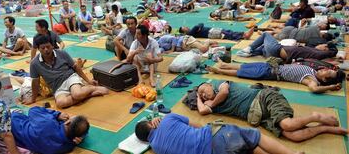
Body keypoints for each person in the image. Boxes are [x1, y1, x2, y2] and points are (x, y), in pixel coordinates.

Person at [196, 81, 348, 142]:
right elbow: (202, 111)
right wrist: (198, 96)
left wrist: (211, 102)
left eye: (203, 90)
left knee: (287, 125)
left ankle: (316, 116)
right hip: (260, 117)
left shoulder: (220, 84)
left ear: (209, 85)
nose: (203, 95)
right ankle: (324, 128)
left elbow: (224, 93)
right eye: (201, 95)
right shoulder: (211, 105)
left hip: (264, 98)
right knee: (293, 136)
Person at [135, 113, 302, 154]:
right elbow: (199, 125)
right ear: (152, 123)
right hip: (215, 137)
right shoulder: (168, 118)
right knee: (255, 136)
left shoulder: (156, 147)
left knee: (245, 146)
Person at [23, 35, 109, 108]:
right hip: (57, 87)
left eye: (48, 47)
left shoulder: (62, 53)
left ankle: (90, 88)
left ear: (52, 46)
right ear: (38, 49)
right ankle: (89, 94)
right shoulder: (34, 63)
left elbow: (75, 67)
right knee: (61, 103)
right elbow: (35, 82)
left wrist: (88, 81)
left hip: (70, 78)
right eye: (43, 48)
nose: (46, 50)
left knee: (77, 94)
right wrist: (33, 99)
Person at [207, 58, 345, 94]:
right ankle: (224, 64)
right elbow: (331, 65)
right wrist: (336, 67)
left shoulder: (312, 80)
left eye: (328, 72)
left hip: (269, 73)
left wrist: (331, 87)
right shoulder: (314, 71)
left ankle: (220, 71)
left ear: (326, 79)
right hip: (271, 66)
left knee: (241, 73)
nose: (326, 69)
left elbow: (314, 89)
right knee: (244, 66)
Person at [0, 107, 88, 154]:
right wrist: (81, 138)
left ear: (67, 122)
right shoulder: (67, 147)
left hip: (12, 122)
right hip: (19, 141)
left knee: (16, 110)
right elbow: (83, 132)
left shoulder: (48, 122)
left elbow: (33, 110)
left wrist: (57, 114)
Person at [237, 32, 338, 63]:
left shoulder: (318, 53)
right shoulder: (314, 51)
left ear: (325, 49)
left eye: (323, 45)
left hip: (276, 50)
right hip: (273, 54)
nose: (320, 44)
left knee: (265, 35)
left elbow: (333, 51)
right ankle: (251, 53)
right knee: (263, 47)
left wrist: (330, 46)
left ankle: (249, 49)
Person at [179, 23, 255, 41]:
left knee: (228, 31)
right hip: (210, 33)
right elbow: (197, 26)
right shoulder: (189, 33)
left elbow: (201, 23)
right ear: (184, 32)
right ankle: (244, 36)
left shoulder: (192, 30)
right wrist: (199, 27)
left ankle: (243, 34)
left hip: (212, 30)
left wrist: (199, 27)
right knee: (227, 34)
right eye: (184, 28)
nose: (186, 27)